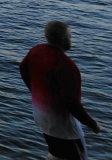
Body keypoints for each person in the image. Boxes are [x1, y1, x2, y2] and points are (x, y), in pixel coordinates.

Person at [20, 21, 101, 160]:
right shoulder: (66, 65)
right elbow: (71, 101)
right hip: (63, 125)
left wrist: (36, 92)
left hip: (41, 116)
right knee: (79, 156)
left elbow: (23, 68)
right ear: (63, 40)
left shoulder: (36, 50)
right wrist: (92, 124)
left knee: (56, 153)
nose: (71, 39)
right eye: (70, 36)